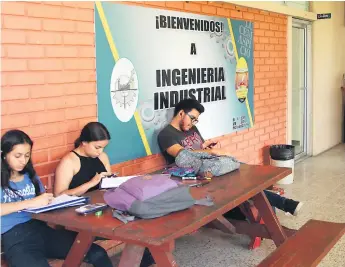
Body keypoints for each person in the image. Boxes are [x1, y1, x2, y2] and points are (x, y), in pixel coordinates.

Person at [158, 99, 303, 217]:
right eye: (193, 119)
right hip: (196, 175)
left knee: (249, 176)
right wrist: (214, 152)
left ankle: (278, 208)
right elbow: (184, 155)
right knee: (243, 183)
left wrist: (208, 147)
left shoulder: (191, 128)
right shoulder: (166, 135)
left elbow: (200, 148)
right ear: (181, 113)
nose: (194, 123)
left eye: (196, 120)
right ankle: (283, 204)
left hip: (212, 166)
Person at [1, 129, 113, 267]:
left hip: (42, 228)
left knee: (97, 253)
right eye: (17, 156)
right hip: (16, 237)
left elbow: (41, 200)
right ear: (4, 154)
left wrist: (50, 201)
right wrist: (31, 202)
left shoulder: (29, 175)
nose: (23, 161)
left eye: (27, 155)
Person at [54, 122, 155, 267]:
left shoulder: (102, 157)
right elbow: (59, 195)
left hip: (101, 210)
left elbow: (107, 186)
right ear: (84, 142)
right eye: (97, 147)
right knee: (98, 253)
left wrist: (114, 181)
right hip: (77, 216)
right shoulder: (69, 161)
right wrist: (91, 183)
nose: (100, 152)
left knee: (138, 228)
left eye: (103, 147)